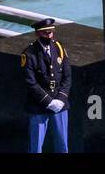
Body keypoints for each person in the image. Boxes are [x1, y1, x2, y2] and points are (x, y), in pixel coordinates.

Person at [23, 18, 70, 153]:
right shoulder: (29, 54)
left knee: (62, 145)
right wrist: (49, 102)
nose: (49, 35)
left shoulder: (59, 48)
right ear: (37, 33)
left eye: (51, 32)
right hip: (39, 106)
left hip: (60, 106)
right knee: (36, 147)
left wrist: (61, 99)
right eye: (45, 33)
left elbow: (67, 76)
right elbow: (30, 83)